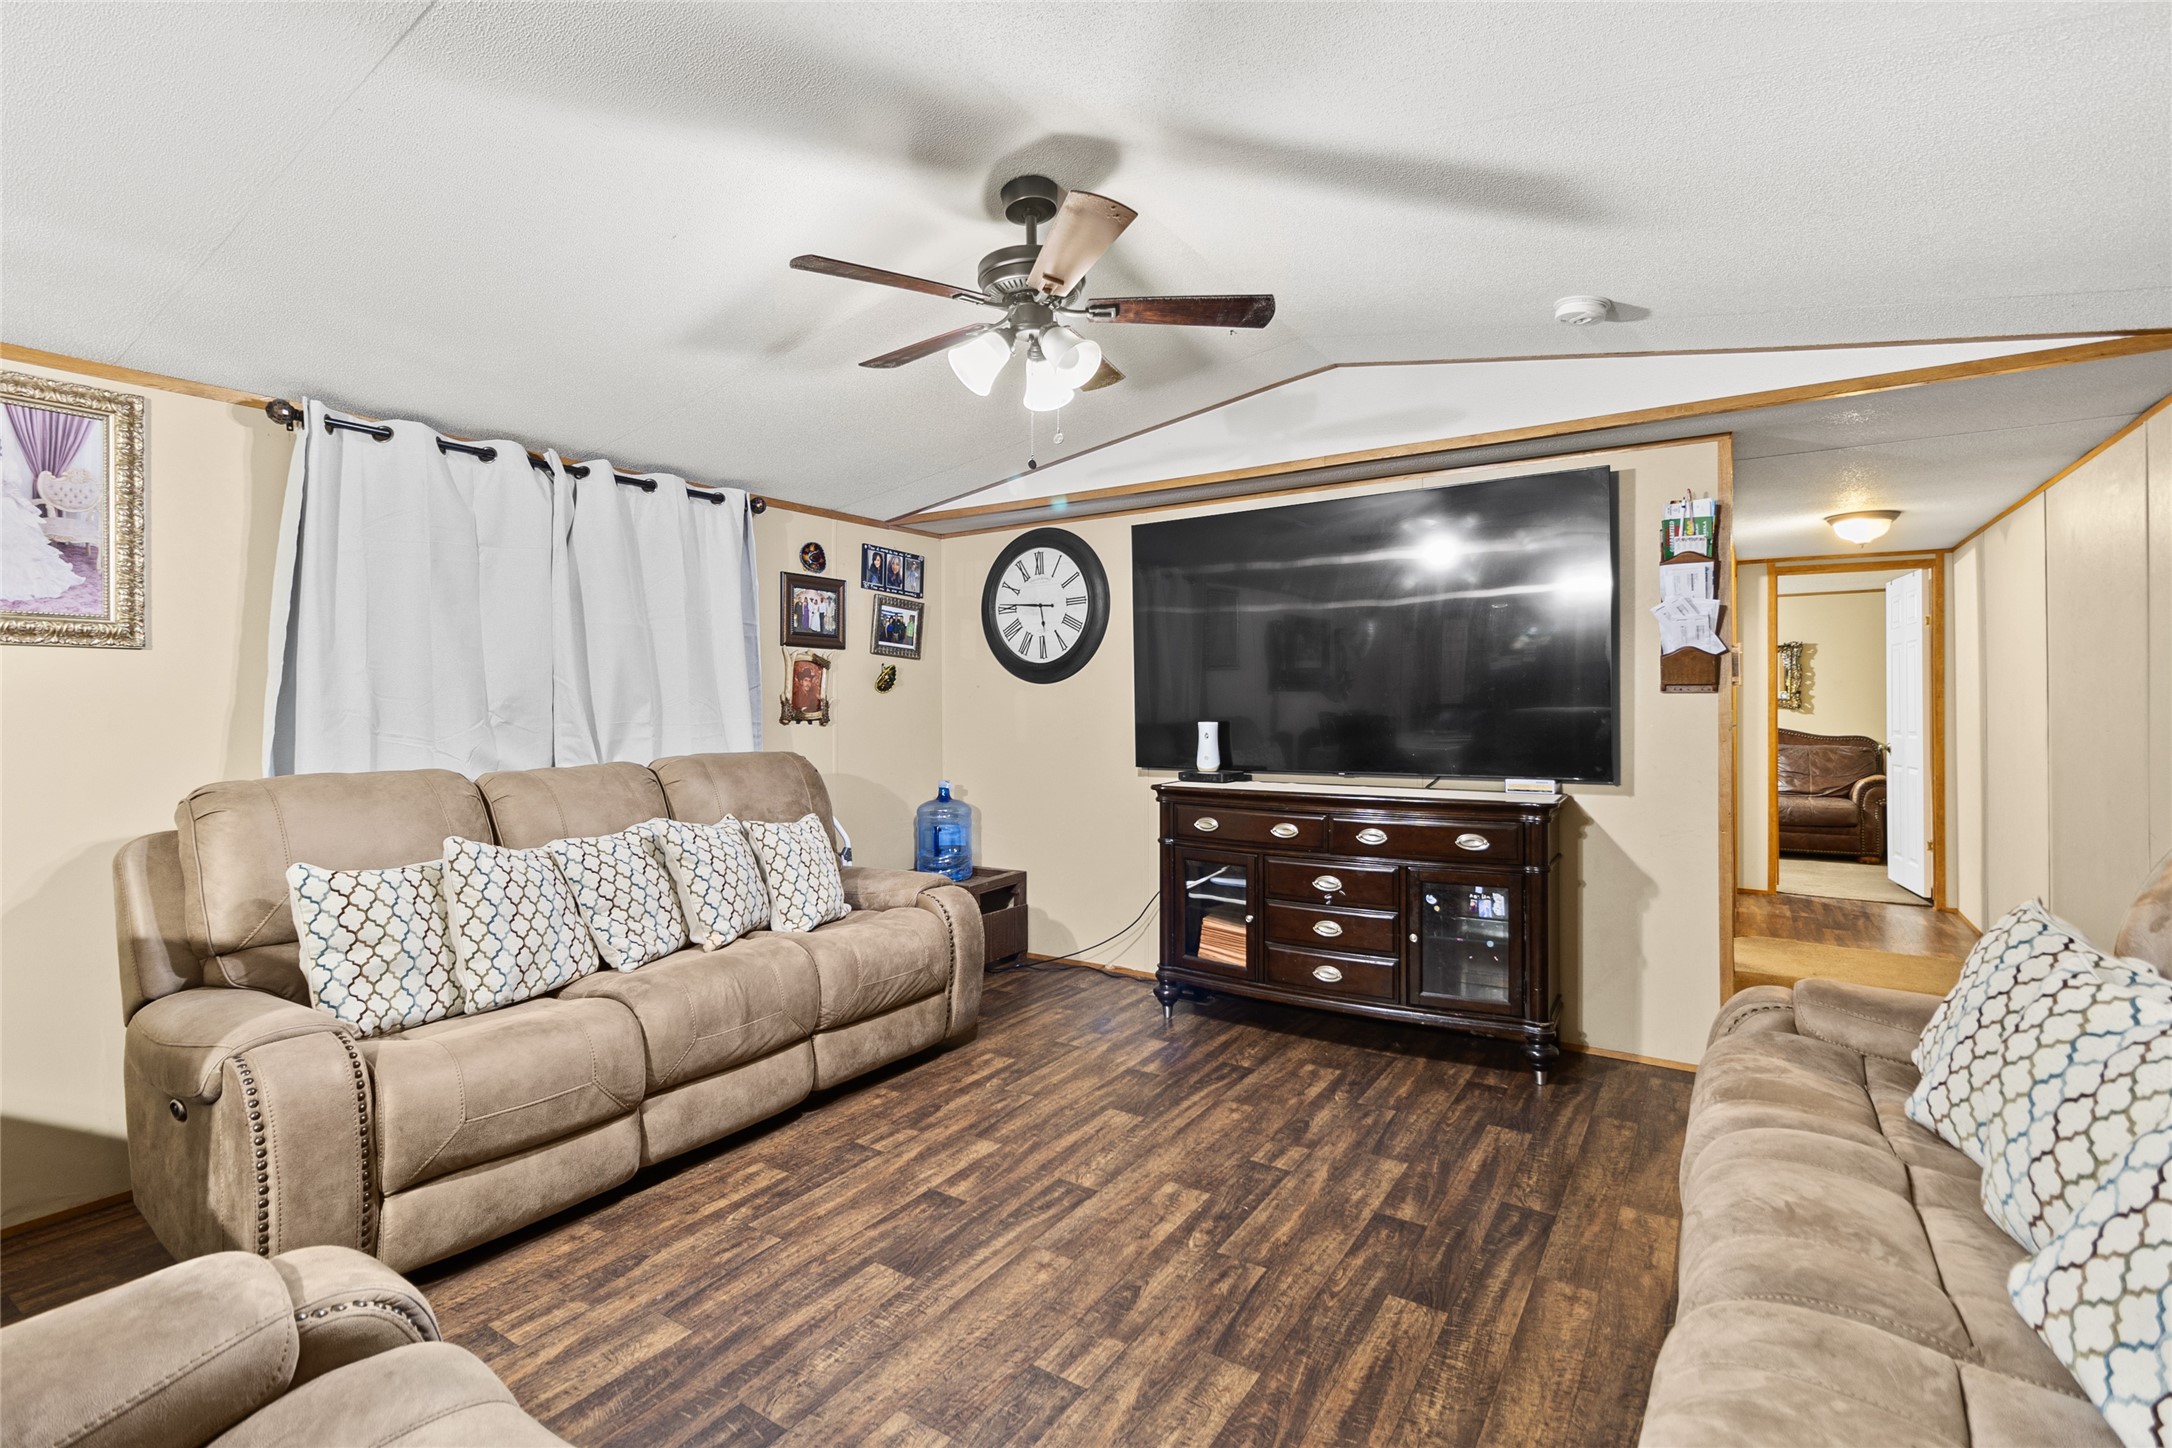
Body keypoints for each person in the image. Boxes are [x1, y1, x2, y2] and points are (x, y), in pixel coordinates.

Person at [1, 490, 78, 602]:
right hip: (6, 509)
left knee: (18, 547)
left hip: (8, 512)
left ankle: (27, 582)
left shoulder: (6, 477)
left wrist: (30, 507)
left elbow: (12, 490)